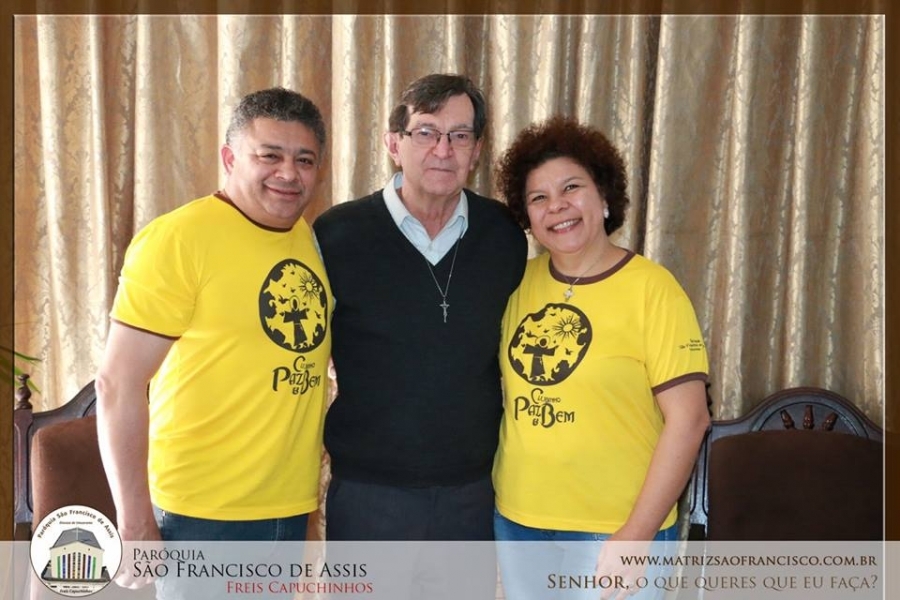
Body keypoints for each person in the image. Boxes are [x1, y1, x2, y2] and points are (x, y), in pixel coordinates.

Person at [96, 87, 332, 563]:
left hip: (288, 505)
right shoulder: (178, 239)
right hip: (200, 513)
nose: (289, 173)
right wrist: (134, 519)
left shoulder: (305, 237)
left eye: (304, 160)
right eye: (270, 155)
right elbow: (117, 383)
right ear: (229, 158)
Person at [313, 73, 526, 597]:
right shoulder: (337, 235)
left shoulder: (503, 234)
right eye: (426, 132)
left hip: (471, 494)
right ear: (394, 144)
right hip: (368, 494)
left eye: (459, 135)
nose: (442, 150)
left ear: (477, 151)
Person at [492, 116, 711, 600]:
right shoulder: (515, 284)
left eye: (572, 187)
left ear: (604, 195)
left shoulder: (653, 289)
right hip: (519, 521)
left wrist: (636, 535)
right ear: (527, 217)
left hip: (616, 530)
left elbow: (690, 420)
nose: (557, 206)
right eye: (539, 197)